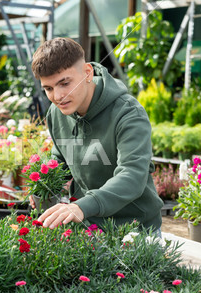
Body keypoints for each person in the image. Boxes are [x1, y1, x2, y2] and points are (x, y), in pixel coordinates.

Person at [30, 37, 163, 234]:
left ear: (87, 73)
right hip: (90, 227)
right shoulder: (57, 113)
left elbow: (132, 175)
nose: (57, 96)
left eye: (65, 83)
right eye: (48, 88)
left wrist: (82, 207)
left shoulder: (128, 113)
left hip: (136, 230)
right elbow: (60, 161)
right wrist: (43, 187)